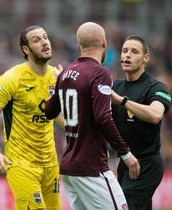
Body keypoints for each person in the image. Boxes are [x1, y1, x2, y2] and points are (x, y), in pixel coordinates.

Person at [45, 22, 140, 210]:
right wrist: (125, 153)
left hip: (68, 168)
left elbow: (49, 112)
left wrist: (56, 86)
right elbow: (103, 117)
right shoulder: (100, 73)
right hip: (91, 167)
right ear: (104, 43)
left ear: (79, 46)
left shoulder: (64, 74)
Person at [0, 25, 63, 210]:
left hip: (50, 163)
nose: (44, 42)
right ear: (26, 49)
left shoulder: (56, 77)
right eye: (37, 40)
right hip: (21, 164)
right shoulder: (11, 79)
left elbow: (57, 116)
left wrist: (82, 136)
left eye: (45, 37)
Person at [111, 35, 172, 210]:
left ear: (146, 58)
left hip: (147, 164)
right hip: (125, 161)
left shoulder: (156, 87)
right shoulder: (116, 86)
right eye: (124, 51)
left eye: (134, 51)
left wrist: (122, 101)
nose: (127, 55)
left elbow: (155, 114)